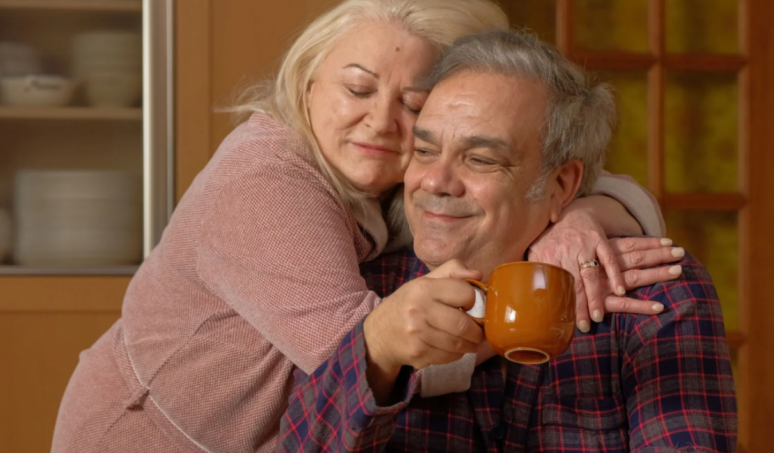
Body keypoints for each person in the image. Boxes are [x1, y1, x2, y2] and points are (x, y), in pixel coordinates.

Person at [51, 1, 673, 452]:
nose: (379, 122)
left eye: (412, 104)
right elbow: (368, 358)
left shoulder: (388, 181)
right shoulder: (265, 179)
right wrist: (541, 288)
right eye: (357, 88)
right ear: (308, 80)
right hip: (146, 435)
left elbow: (546, 178)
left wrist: (593, 212)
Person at [277, 29, 737, 452]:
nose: (435, 182)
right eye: (424, 151)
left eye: (480, 159)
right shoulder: (358, 288)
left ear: (560, 186)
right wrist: (376, 354)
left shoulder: (655, 293)